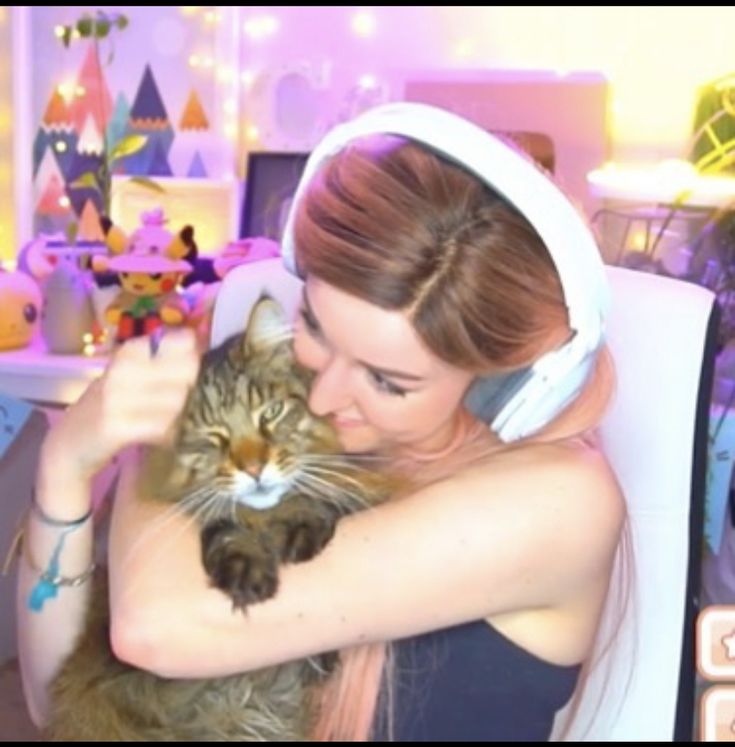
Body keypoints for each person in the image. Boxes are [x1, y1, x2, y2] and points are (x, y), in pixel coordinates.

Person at [17, 103, 625, 741]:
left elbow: (155, 630)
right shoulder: (296, 432)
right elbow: (49, 701)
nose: (326, 394)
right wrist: (64, 472)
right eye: (313, 326)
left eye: (387, 380)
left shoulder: (561, 501)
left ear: (505, 386)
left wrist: (170, 427)